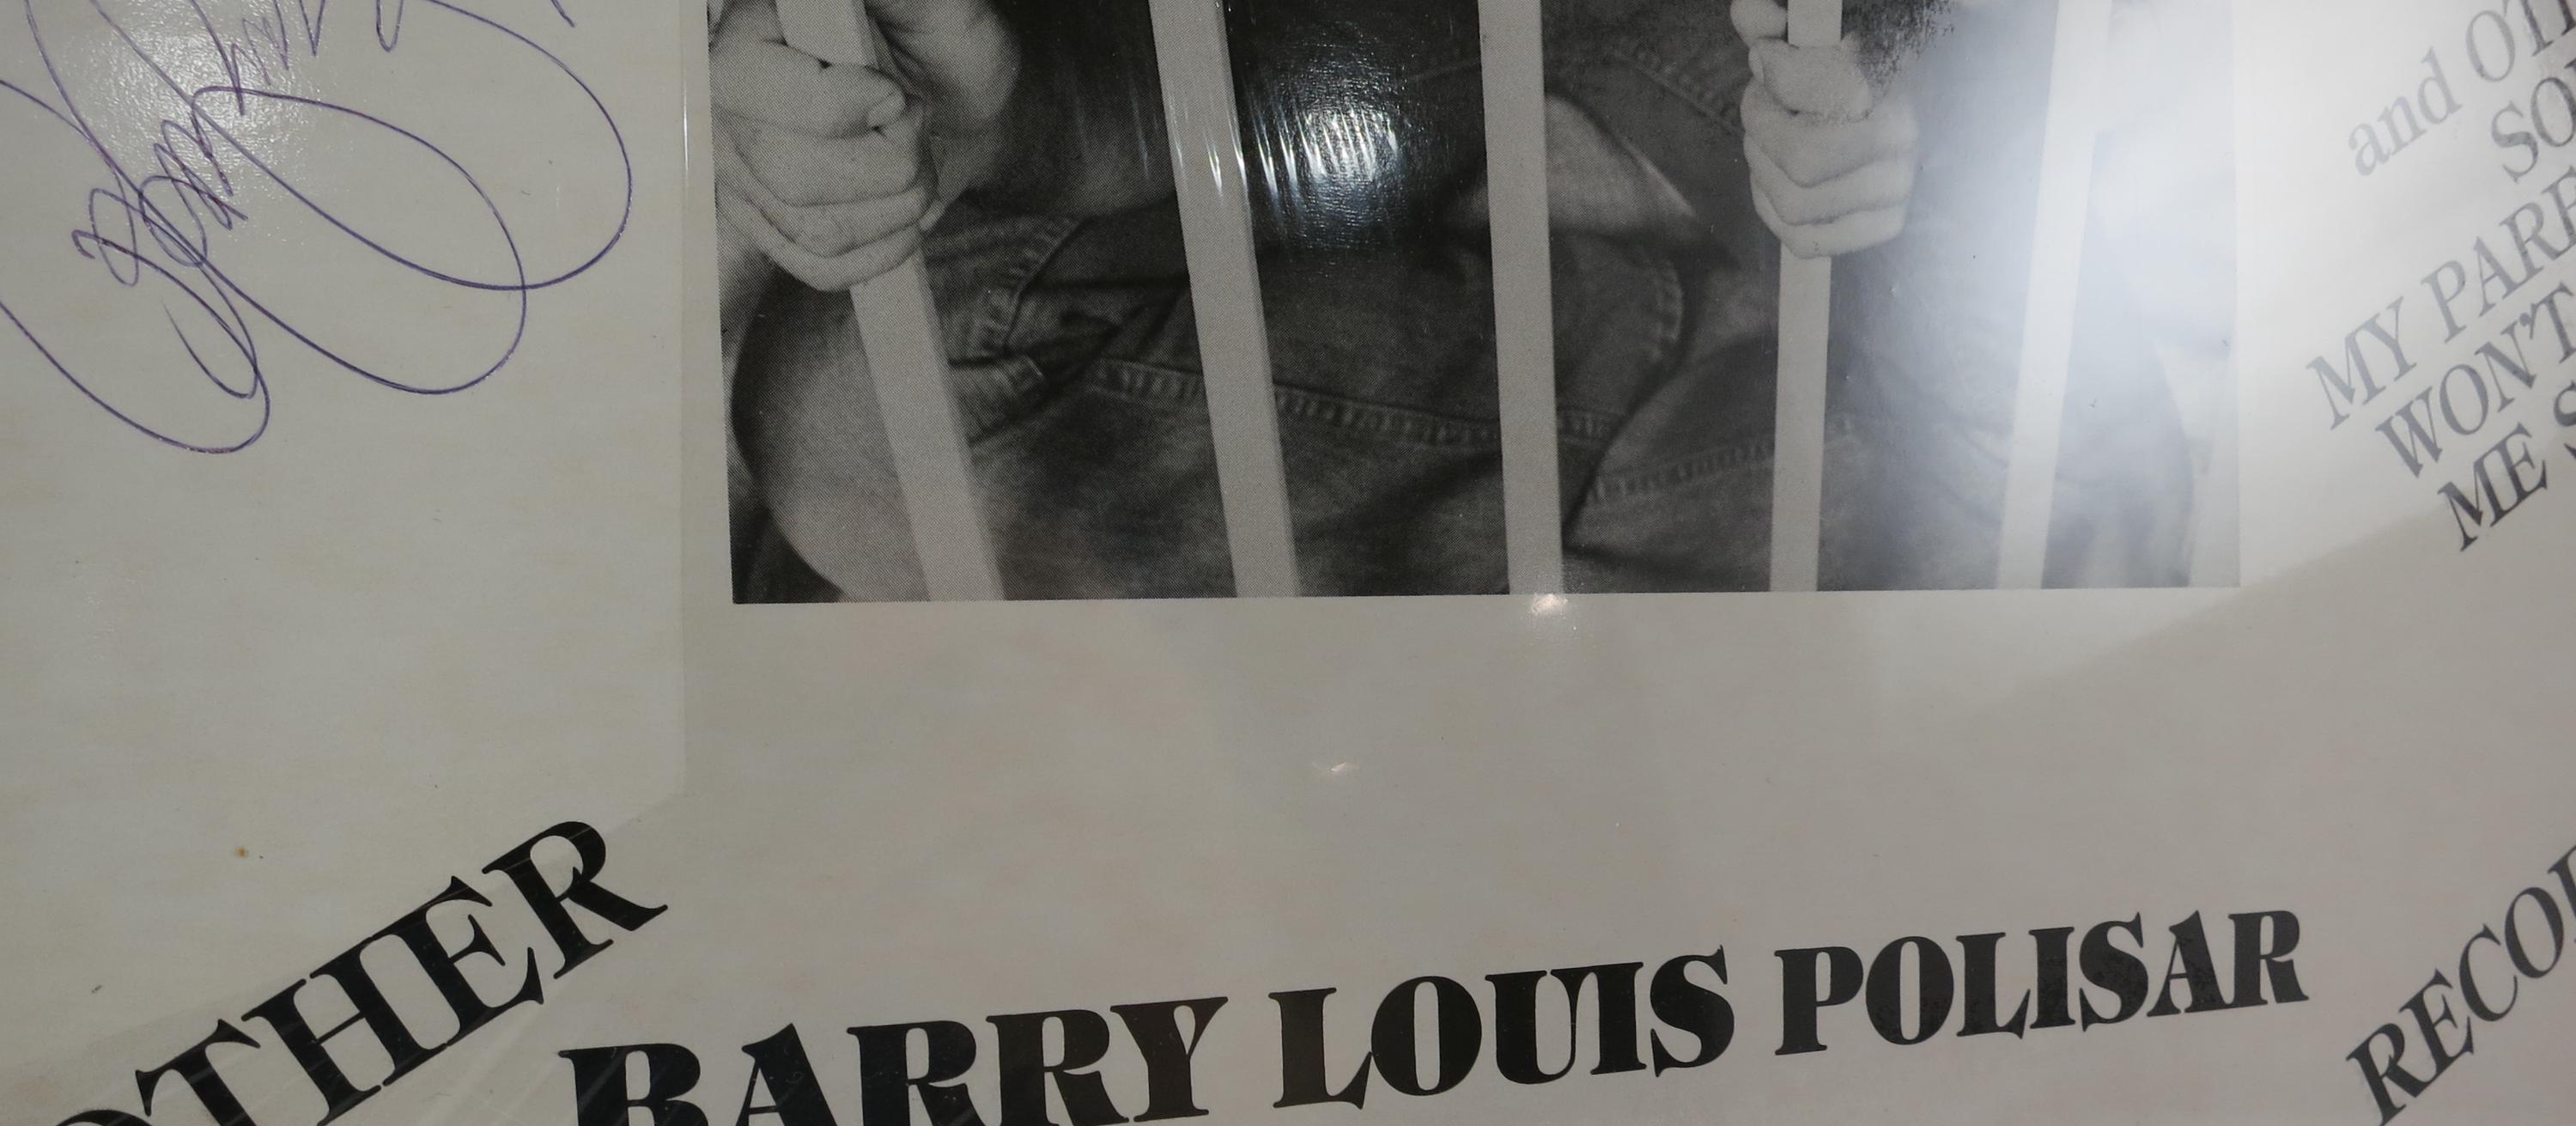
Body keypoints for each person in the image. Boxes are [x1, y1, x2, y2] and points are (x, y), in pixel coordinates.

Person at [714, 0, 2191, 598]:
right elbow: (1245, 88)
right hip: (1428, 218)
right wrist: (968, 122)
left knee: (2052, 505)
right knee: (855, 415)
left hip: (1880, 292)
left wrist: (1920, 97)